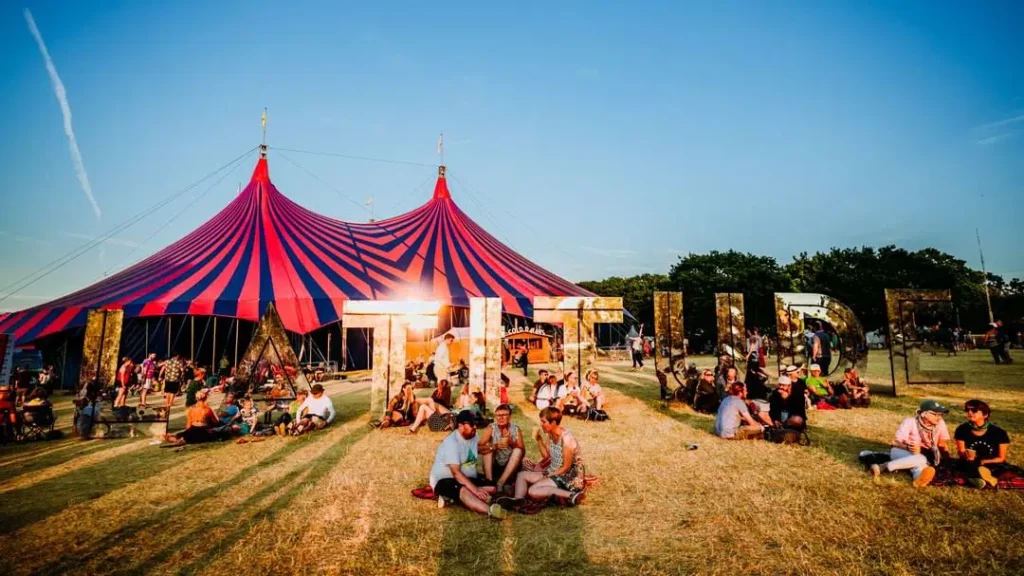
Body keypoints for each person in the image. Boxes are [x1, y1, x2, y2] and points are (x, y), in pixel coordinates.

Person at [428, 410, 506, 519]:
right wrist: (476, 490)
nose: (475, 427)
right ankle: (490, 511)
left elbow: (475, 449)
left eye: (476, 424)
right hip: (444, 480)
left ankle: (451, 498)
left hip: (467, 477)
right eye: (471, 424)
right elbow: (456, 473)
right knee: (464, 489)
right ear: (460, 426)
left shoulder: (473, 436)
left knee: (492, 487)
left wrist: (493, 447)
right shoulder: (451, 443)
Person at [504, 407, 586, 509]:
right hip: (554, 470)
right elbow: (547, 456)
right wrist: (539, 440)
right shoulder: (550, 434)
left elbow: (566, 467)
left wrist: (548, 475)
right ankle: (518, 500)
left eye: (544, 422)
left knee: (532, 491)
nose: (541, 424)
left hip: (569, 475)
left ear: (553, 423)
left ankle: (572, 495)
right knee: (522, 475)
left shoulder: (567, 439)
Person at [869, 399, 951, 487]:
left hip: (925, 454)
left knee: (921, 463)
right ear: (924, 414)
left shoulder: (940, 423)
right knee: (921, 459)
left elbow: (942, 444)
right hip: (901, 451)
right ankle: (883, 466)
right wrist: (908, 447)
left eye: (941, 414)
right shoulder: (910, 422)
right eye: (935, 414)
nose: (939, 417)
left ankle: (918, 479)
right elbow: (895, 442)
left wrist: (946, 458)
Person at [954, 399, 1012, 488]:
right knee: (966, 466)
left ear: (985, 414)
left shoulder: (999, 433)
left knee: (998, 469)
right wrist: (967, 456)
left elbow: (1001, 458)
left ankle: (979, 478)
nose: (970, 412)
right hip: (971, 462)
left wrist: (984, 461)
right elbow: (961, 452)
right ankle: (984, 479)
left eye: (974, 410)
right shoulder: (962, 429)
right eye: (967, 410)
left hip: (991, 462)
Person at [478, 404, 524, 493]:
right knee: (488, 449)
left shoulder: (515, 429)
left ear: (510, 417)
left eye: (504, 415)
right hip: (494, 466)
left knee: (518, 450)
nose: (501, 418)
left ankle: (501, 482)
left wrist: (512, 443)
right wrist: (493, 446)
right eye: (498, 415)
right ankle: (489, 482)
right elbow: (477, 448)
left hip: (510, 466)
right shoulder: (491, 428)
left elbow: (522, 452)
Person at [163, 390, 232, 446]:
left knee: (187, 434)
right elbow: (216, 422)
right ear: (205, 398)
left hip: (193, 428)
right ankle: (182, 439)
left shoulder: (190, 409)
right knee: (222, 431)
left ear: (196, 398)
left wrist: (187, 432)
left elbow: (188, 425)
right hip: (202, 430)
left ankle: (178, 438)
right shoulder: (207, 409)